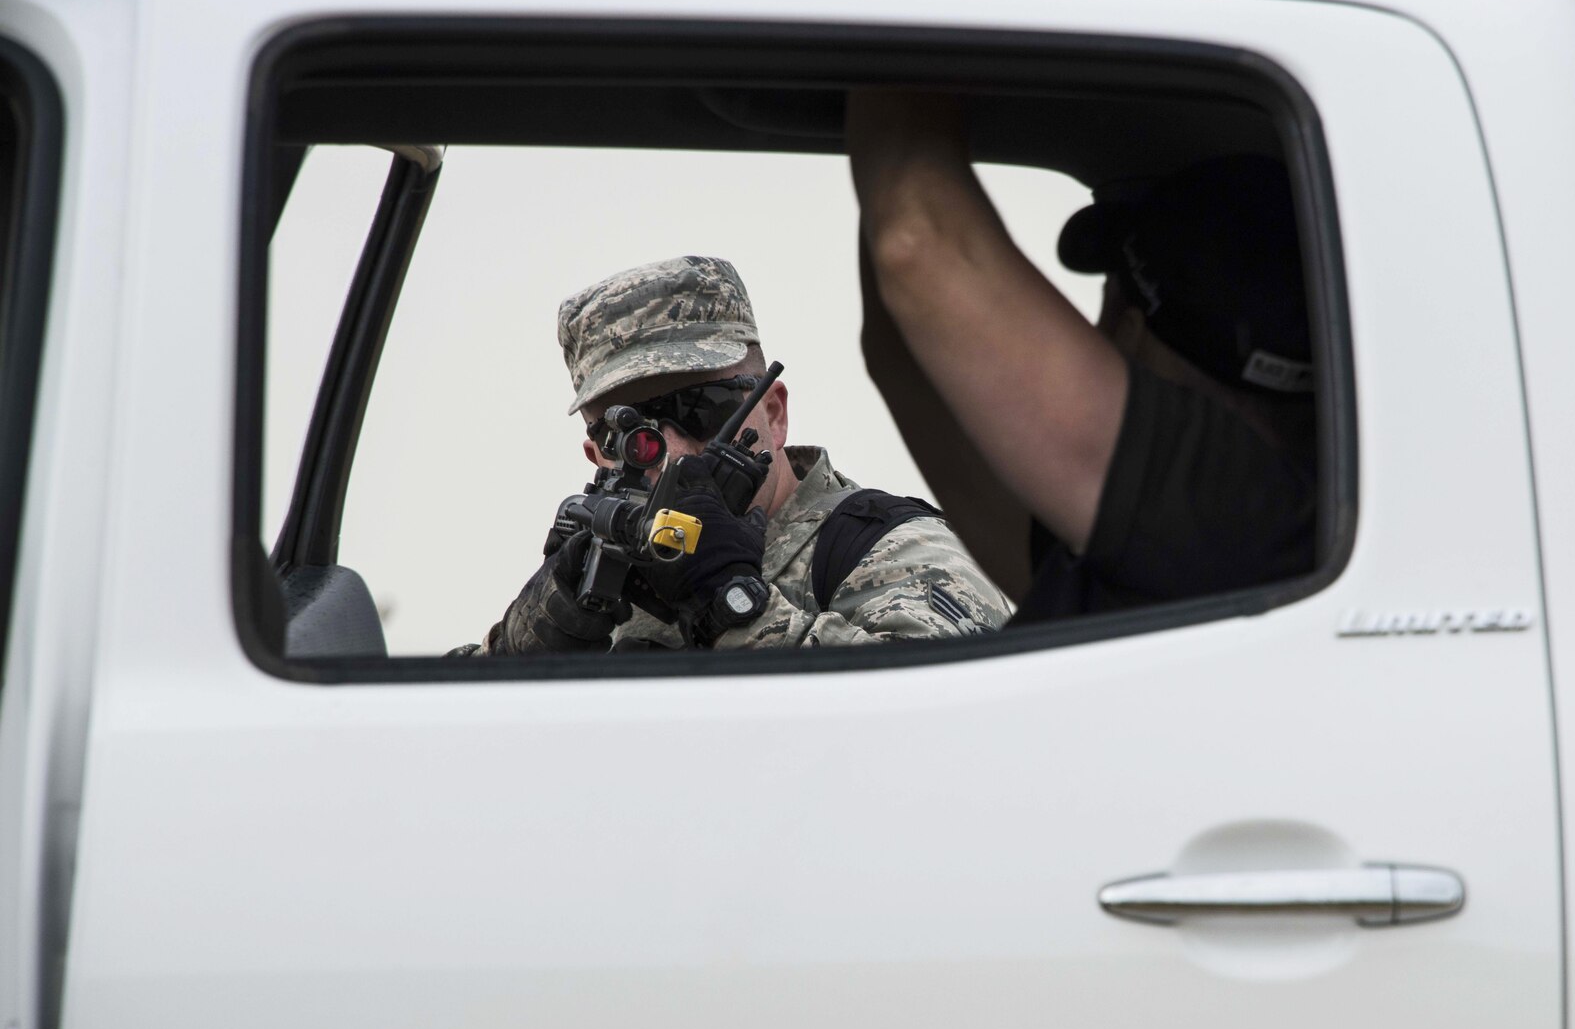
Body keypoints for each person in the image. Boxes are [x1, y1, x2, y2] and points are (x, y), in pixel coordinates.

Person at [847, 91, 1319, 622]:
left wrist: (896, 55)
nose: (1100, 335)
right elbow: (903, 357)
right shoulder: (1206, 547)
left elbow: (917, 244)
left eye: (1115, 303)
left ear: (1132, 329)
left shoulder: (1235, 519)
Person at [468, 255, 1010, 655]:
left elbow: (938, 729)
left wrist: (729, 602)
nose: (674, 453)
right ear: (597, 454)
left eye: (703, 407)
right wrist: (536, 632)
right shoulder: (603, 589)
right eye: (631, 435)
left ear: (773, 413)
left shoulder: (893, 551)